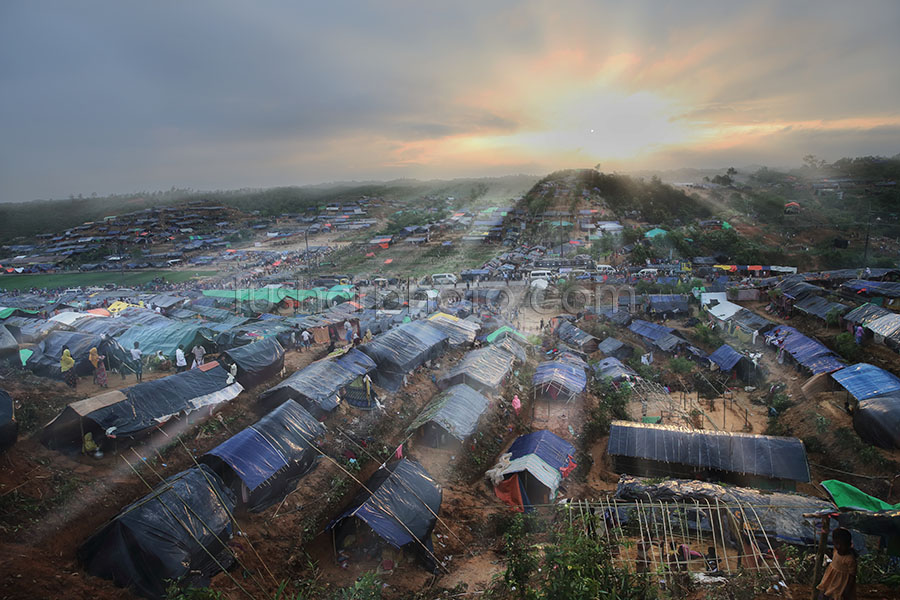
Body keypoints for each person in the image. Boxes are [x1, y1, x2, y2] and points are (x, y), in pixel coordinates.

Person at [817, 527, 857, 600]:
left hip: (841, 584)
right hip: (830, 580)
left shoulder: (850, 559)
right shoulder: (835, 550)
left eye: (842, 545)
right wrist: (825, 551)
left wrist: (847, 591)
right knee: (824, 594)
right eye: (836, 544)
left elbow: (852, 576)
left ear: (848, 544)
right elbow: (834, 559)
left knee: (835, 596)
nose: (839, 546)